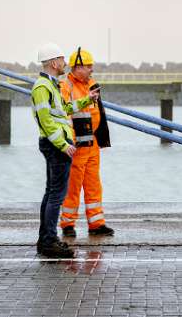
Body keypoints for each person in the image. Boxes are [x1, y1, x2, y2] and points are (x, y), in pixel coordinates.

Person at [31, 43, 100, 258]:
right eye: (62, 60)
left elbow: (64, 110)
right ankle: (49, 241)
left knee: (51, 193)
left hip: (56, 144)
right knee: (56, 196)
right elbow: (45, 121)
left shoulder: (52, 85)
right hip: (55, 146)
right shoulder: (42, 87)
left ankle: (45, 239)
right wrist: (63, 145)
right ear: (53, 63)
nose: (65, 64)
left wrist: (87, 100)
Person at [59, 48, 114, 237]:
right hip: (76, 146)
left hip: (93, 145)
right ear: (77, 67)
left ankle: (97, 224)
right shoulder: (66, 86)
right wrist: (68, 143)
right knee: (72, 187)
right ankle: (67, 224)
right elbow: (63, 113)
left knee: (93, 185)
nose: (92, 70)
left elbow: (98, 113)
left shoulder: (92, 84)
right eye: (88, 66)